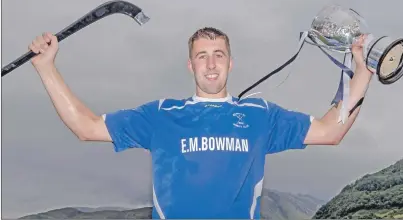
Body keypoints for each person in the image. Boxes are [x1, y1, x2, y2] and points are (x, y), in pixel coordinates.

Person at [28, 27, 372, 219]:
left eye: (218, 54)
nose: (210, 63)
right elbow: (85, 127)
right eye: (201, 56)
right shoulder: (161, 115)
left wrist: (363, 71)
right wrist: (46, 67)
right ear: (190, 66)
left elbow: (332, 130)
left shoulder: (259, 115)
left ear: (230, 63)